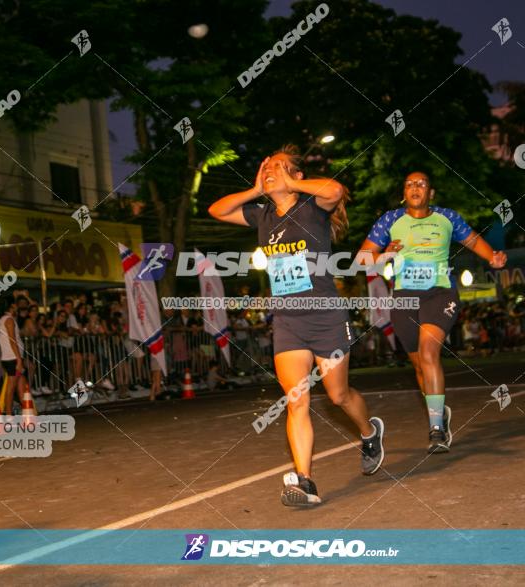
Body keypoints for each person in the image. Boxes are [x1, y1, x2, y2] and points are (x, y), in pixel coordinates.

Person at [209, 145, 384, 507]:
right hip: (288, 321)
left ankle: (369, 433)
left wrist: (291, 182)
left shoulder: (312, 207)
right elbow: (216, 210)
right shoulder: (262, 216)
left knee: (338, 396)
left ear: (297, 177)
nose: (271, 171)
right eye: (267, 167)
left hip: (325, 316)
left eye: (280, 167)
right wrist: (256, 190)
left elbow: (335, 191)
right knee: (296, 401)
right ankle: (304, 481)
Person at [359, 171, 506, 453]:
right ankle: (439, 413)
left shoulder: (447, 218)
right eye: (410, 184)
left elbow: (473, 240)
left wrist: (492, 257)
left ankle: (436, 429)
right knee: (418, 365)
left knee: (429, 353)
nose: (416, 188)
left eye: (422, 184)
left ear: (431, 193)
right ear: (405, 191)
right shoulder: (390, 220)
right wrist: (386, 253)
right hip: (404, 298)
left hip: (440, 294)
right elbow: (362, 260)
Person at [0, 296, 26, 415]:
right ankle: (8, 414)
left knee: (21, 384)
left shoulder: (4, 319)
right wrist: (19, 359)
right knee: (11, 387)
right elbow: (12, 340)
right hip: (12, 358)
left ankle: (27, 411)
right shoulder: (8, 320)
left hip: (11, 357)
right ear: (12, 306)